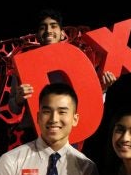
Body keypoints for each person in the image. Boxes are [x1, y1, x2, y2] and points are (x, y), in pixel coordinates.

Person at [9, 9, 117, 143]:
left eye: (53, 26)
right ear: (37, 35)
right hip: (33, 134)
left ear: (62, 34)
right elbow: (13, 108)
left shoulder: (76, 62)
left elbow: (88, 102)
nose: (48, 30)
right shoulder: (23, 65)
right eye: (43, 27)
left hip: (67, 134)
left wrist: (103, 89)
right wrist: (18, 99)